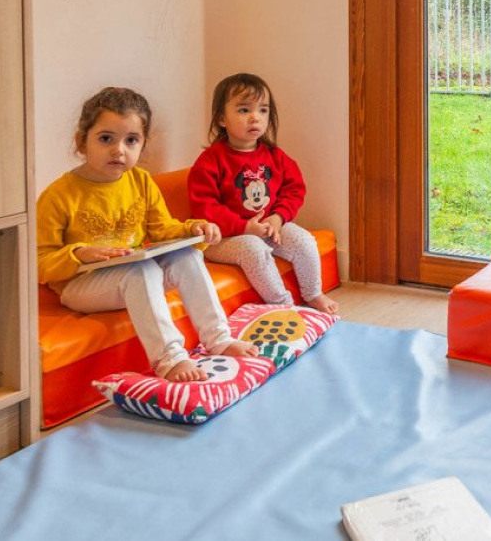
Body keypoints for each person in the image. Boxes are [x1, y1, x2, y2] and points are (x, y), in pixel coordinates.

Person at [37, 87, 258, 383]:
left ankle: (219, 339)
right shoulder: (59, 195)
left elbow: (162, 229)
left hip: (135, 273)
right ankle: (170, 359)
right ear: (81, 141)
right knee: (140, 271)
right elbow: (40, 262)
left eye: (131, 140)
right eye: (106, 139)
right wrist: (79, 253)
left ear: (142, 144)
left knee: (186, 255)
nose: (119, 150)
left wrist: (193, 228)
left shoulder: (140, 180)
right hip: (81, 286)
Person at [188, 73, 338, 315]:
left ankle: (313, 293)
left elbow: (294, 189)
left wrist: (278, 218)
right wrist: (244, 227)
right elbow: (205, 208)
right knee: (253, 249)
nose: (255, 117)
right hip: (222, 239)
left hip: (268, 227)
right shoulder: (209, 161)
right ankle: (282, 305)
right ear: (221, 120)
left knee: (303, 240)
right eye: (244, 110)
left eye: (263, 110)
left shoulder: (274, 155)